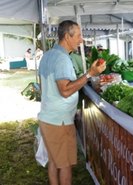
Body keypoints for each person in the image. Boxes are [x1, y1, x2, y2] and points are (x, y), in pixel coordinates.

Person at [38, 20, 106, 185]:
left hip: (49, 118)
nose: (81, 40)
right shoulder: (61, 59)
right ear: (67, 37)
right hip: (59, 122)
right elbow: (66, 90)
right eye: (78, 35)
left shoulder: (48, 55)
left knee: (55, 162)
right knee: (65, 165)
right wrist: (89, 74)